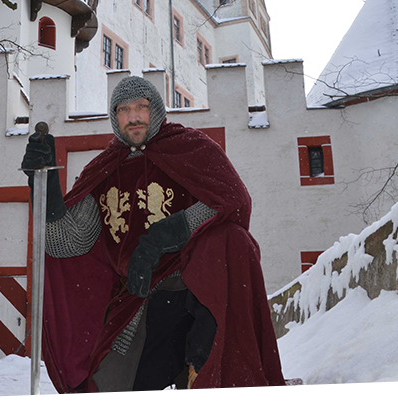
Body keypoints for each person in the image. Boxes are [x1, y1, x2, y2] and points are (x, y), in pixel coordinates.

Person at [22, 76, 285, 393]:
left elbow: (233, 202)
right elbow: (67, 243)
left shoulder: (192, 148)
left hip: (196, 287)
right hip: (139, 300)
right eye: (124, 109)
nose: (133, 117)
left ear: (156, 110)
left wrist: (162, 237)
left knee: (230, 240)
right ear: (114, 117)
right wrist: (47, 190)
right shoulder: (104, 170)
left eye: (142, 107)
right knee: (107, 388)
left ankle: (207, 372)